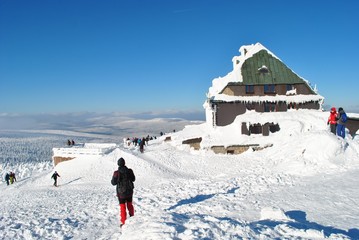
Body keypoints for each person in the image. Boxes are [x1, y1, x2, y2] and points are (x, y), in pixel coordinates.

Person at [111, 157, 135, 227]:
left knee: (122, 207)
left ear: (118, 164)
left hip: (121, 193)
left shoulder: (116, 173)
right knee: (130, 205)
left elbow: (113, 183)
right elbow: (133, 179)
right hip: (130, 191)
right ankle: (132, 218)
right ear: (124, 163)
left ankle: (123, 222)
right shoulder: (130, 171)